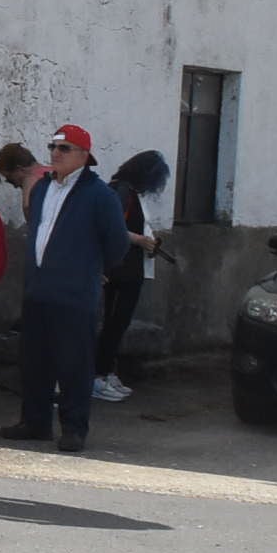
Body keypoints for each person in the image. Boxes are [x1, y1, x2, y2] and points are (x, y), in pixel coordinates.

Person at [4, 123, 129, 452]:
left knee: (74, 362)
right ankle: (35, 421)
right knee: (34, 359)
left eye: (64, 149)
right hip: (39, 289)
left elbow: (116, 244)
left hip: (75, 293)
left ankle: (74, 427)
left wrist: (91, 270)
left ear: (84, 156)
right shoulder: (44, 188)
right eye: (53, 148)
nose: (55, 154)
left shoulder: (100, 195)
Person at [94, 149, 170, 402]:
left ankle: (106, 372)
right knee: (114, 323)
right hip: (120, 271)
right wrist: (140, 240)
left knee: (119, 324)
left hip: (131, 269)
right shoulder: (121, 192)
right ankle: (98, 375)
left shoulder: (130, 193)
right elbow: (110, 227)